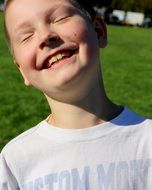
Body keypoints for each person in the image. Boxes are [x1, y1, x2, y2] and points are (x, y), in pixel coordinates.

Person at [0, 0, 152, 189]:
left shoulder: (147, 142)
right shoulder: (14, 162)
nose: (45, 36)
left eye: (60, 18)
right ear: (21, 70)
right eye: (26, 36)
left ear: (98, 31)